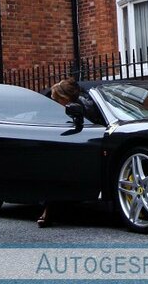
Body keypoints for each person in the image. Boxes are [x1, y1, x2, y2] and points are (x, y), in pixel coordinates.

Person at [36, 78, 82, 228]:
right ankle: (48, 207)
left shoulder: (80, 108)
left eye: (55, 99)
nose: (52, 101)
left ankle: (50, 208)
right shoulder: (50, 110)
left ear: (65, 99)